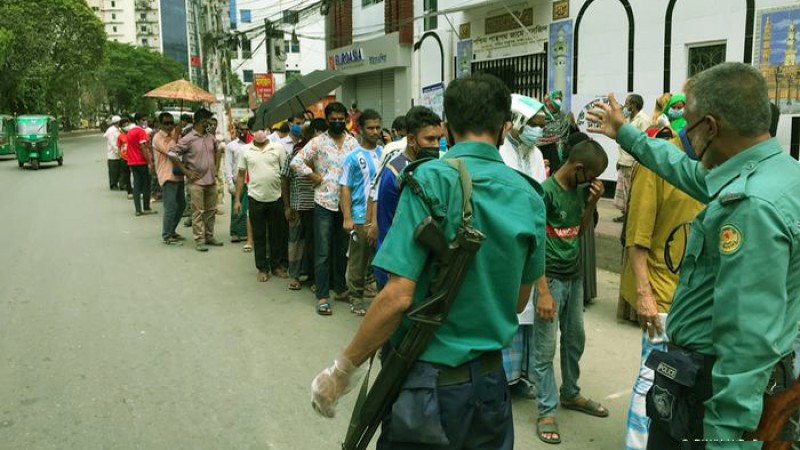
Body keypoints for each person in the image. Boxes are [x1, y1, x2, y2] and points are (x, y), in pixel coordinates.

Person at [311, 73, 547, 449]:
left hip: (427, 389)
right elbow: (519, 302)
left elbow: (397, 296)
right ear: (504, 128)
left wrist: (341, 371)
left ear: (448, 129)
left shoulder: (429, 179)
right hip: (489, 387)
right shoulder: (530, 196)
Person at [587, 62, 800, 449]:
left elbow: (747, 339)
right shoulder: (777, 173)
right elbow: (685, 171)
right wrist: (626, 134)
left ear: (711, 128)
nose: (683, 132)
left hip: (715, 390)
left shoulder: (751, 206)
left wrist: (722, 438)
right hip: (730, 380)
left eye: (689, 123)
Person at [618, 126, 704, 450]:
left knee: (681, 381)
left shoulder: (711, 162)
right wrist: (644, 294)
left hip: (694, 295)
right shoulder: (657, 160)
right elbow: (636, 236)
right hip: (661, 290)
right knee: (652, 376)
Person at [532, 139, 609, 445]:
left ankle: (571, 393)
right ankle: (546, 409)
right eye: (591, 176)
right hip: (549, 279)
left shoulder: (579, 191)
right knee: (545, 348)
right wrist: (543, 291)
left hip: (573, 278)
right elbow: (534, 243)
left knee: (575, 338)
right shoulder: (545, 193)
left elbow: (579, 229)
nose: (593, 182)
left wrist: (591, 201)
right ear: (578, 169)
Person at [498, 93, 548, 398]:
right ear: (516, 122)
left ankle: (522, 376)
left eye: (541, 125)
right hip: (508, 238)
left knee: (529, 310)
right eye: (534, 124)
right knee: (511, 307)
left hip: (533, 235)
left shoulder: (535, 155)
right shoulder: (501, 150)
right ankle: (503, 378)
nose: (538, 130)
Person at [290, 102, 359, 315]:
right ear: (327, 120)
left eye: (341, 119)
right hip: (324, 202)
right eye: (334, 119)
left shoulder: (352, 142)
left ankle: (339, 287)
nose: (338, 123)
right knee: (322, 251)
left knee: (341, 250)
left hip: (346, 204)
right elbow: (296, 162)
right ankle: (322, 295)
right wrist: (313, 175)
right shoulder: (318, 142)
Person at [369, 106, 442, 290]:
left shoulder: (429, 167)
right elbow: (389, 227)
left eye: (438, 139)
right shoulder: (396, 173)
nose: (435, 145)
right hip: (396, 267)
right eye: (429, 139)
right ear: (411, 140)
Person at [339, 109, 383, 316]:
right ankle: (355, 297)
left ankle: (381, 296)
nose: (375, 131)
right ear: (360, 130)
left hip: (381, 216)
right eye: (370, 128)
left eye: (378, 127)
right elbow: (345, 187)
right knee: (359, 259)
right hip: (359, 216)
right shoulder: (352, 158)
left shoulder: (386, 152)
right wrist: (347, 217)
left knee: (382, 258)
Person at [168, 108, 224, 252]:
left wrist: (216, 168)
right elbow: (171, 153)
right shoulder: (187, 138)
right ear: (200, 121)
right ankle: (199, 239)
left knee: (211, 210)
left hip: (211, 180)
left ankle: (209, 236)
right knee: (198, 212)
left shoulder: (210, 137)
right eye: (207, 121)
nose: (210, 125)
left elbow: (219, 149)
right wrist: (186, 171)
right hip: (196, 182)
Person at [235, 131, 287, 282]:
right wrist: (237, 199)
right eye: (256, 130)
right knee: (258, 235)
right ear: (251, 132)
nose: (260, 133)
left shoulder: (278, 148)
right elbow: (240, 175)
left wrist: (286, 202)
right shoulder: (245, 150)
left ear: (267, 132)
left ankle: (276, 265)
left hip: (276, 197)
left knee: (276, 234)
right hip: (255, 197)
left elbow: (284, 175)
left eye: (262, 130)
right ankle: (262, 268)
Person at [282, 121, 324, 291]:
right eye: (317, 134)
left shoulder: (324, 155)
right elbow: (284, 179)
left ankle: (314, 278)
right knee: (296, 242)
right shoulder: (295, 154)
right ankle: (296, 276)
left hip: (318, 205)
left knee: (315, 244)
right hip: (298, 205)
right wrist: (287, 206)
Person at [613, 94, 652, 223]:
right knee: (624, 192)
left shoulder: (643, 119)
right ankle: (626, 215)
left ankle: (632, 216)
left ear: (634, 105)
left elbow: (644, 142)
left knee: (632, 191)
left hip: (633, 162)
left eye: (627, 103)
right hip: (624, 161)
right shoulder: (628, 118)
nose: (625, 106)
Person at [152, 112, 186, 245]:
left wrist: (178, 135)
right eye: (166, 123)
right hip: (167, 175)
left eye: (171, 123)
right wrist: (176, 135)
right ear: (160, 124)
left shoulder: (174, 135)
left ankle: (171, 230)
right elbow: (171, 151)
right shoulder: (157, 137)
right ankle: (167, 235)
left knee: (181, 205)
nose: (169, 126)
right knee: (171, 206)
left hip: (178, 174)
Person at [225, 122, 251, 246]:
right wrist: (229, 182)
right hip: (237, 181)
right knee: (237, 207)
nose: (243, 132)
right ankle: (235, 232)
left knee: (247, 208)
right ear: (236, 130)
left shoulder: (251, 144)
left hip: (250, 180)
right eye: (241, 129)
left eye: (246, 130)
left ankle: (245, 232)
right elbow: (228, 165)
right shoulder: (231, 146)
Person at [126, 112, 157, 217]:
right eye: (143, 119)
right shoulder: (141, 132)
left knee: (137, 185)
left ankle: (138, 210)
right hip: (141, 161)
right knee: (146, 184)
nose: (145, 121)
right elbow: (144, 148)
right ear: (138, 120)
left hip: (132, 162)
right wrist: (149, 162)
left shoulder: (130, 132)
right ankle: (146, 207)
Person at [104, 115, 123, 191]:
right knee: (113, 170)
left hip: (118, 153)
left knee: (119, 170)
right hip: (113, 154)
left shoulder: (118, 129)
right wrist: (118, 152)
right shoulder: (111, 131)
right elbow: (113, 143)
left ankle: (119, 183)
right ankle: (113, 184)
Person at [116, 117, 133, 198]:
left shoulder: (133, 134)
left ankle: (137, 190)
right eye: (124, 125)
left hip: (133, 158)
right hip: (124, 158)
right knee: (127, 176)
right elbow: (119, 147)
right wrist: (120, 156)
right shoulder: (120, 136)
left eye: (127, 124)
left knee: (135, 175)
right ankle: (129, 192)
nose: (127, 126)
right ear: (121, 127)